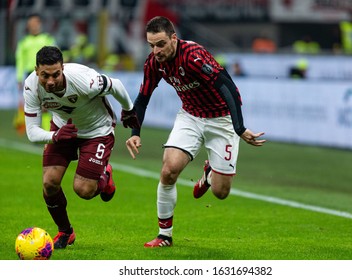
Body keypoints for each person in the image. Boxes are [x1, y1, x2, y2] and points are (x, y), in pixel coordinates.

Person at [125, 16, 266, 248]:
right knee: (169, 170)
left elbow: (228, 87)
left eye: (160, 44)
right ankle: (164, 235)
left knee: (221, 192)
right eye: (151, 45)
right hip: (190, 116)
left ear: (173, 38)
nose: (156, 50)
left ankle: (210, 174)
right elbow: (143, 99)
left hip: (221, 120)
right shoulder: (154, 63)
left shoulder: (193, 56)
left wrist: (239, 128)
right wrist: (134, 132)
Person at [23, 46, 140, 249]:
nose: (50, 81)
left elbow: (116, 85)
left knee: (84, 190)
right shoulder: (32, 86)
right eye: (44, 76)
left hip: (97, 131)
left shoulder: (84, 80)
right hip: (63, 129)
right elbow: (32, 132)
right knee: (49, 183)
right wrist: (55, 135)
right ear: (36, 71)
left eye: (55, 75)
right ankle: (66, 232)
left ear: (63, 68)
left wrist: (128, 110)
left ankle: (105, 175)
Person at [15, 14, 56, 134]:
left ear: (40, 24)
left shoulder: (47, 39)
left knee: (46, 104)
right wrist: (19, 78)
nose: (34, 26)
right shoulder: (24, 42)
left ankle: (48, 133)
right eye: (31, 24)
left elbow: (56, 56)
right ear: (28, 26)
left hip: (46, 75)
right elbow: (20, 60)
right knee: (33, 105)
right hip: (30, 75)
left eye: (35, 23)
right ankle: (35, 131)